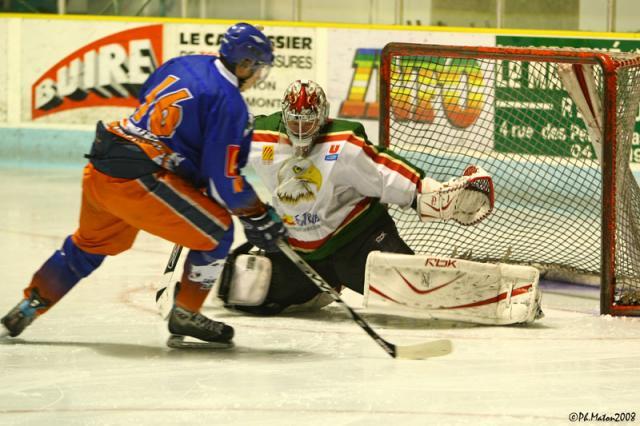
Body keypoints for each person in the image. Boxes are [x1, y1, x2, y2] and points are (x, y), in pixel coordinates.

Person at [0, 22, 286, 348]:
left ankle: (31, 304)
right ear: (245, 64)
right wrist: (257, 214)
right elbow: (224, 180)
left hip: (102, 165)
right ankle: (187, 313)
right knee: (217, 234)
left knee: (88, 246)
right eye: (258, 68)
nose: (257, 76)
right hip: (141, 181)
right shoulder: (230, 102)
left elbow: (146, 104)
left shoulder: (184, 62)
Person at [213, 80, 543, 326]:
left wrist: (436, 197)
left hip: (358, 243)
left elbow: (387, 174)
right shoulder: (260, 138)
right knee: (242, 289)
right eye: (295, 122)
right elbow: (221, 153)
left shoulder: (345, 144)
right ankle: (317, 289)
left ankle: (512, 291)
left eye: (309, 122)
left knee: (416, 295)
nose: (301, 130)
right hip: (299, 252)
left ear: (323, 117)